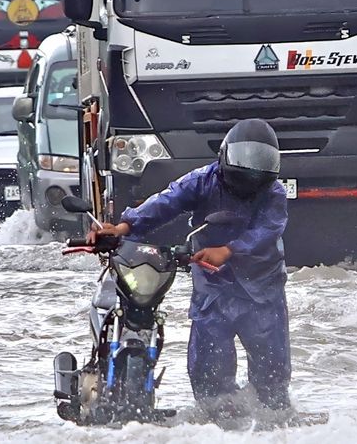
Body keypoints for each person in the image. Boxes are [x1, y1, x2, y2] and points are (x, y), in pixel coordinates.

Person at [89, 118, 291, 415]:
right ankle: (217, 422)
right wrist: (125, 226)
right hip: (214, 285)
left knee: (271, 371)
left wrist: (229, 250)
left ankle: (276, 422)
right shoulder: (202, 180)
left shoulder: (273, 192)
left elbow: (267, 230)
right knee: (209, 368)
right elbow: (166, 202)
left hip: (261, 286)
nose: (251, 175)